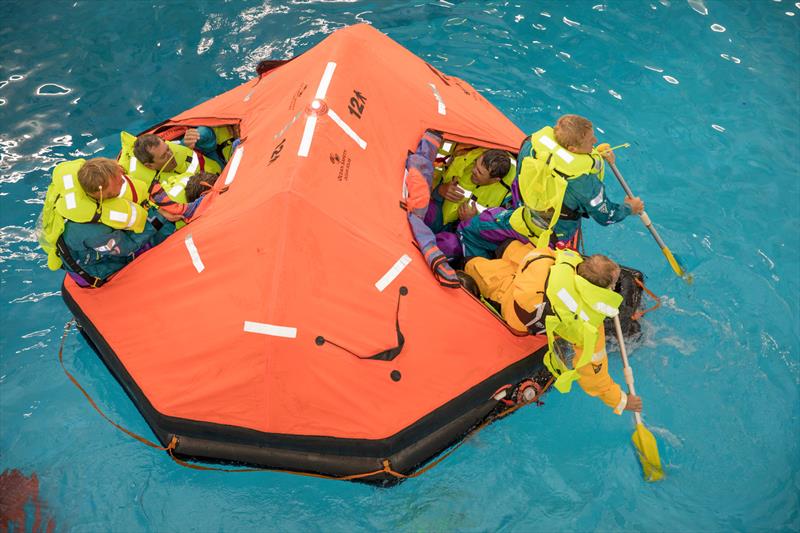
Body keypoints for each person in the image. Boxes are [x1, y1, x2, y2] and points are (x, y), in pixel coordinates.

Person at [464, 241, 642, 414]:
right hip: (514, 317)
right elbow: (594, 377)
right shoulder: (589, 326)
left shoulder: (546, 260)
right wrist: (621, 400)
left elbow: (528, 258)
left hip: (511, 289)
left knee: (475, 264)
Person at [457, 114, 644, 258]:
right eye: (590, 141)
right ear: (572, 149)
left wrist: (597, 156)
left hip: (525, 211)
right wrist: (629, 207)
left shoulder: (530, 145)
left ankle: (479, 257)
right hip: (554, 234)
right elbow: (606, 217)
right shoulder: (584, 183)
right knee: (470, 230)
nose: (595, 141)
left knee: (470, 229)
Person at [39, 157, 174, 287]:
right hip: (96, 270)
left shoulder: (87, 177)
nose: (122, 182)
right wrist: (159, 218)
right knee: (165, 231)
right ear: (102, 194)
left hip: (88, 242)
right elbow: (128, 247)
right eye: (118, 184)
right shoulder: (93, 231)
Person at [424, 148, 515, 234]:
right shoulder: (463, 162)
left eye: (479, 172)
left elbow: (496, 234)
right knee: (426, 209)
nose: (473, 170)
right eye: (476, 164)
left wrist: (473, 221)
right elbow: (431, 182)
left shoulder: (506, 196)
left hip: (460, 234)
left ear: (495, 180)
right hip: (439, 214)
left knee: (449, 243)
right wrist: (439, 190)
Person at [125, 133, 222, 203]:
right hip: (205, 197)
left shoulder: (175, 147)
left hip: (218, 168)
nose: (171, 155)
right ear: (149, 166)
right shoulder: (152, 189)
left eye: (168, 149)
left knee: (203, 132)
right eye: (164, 156)